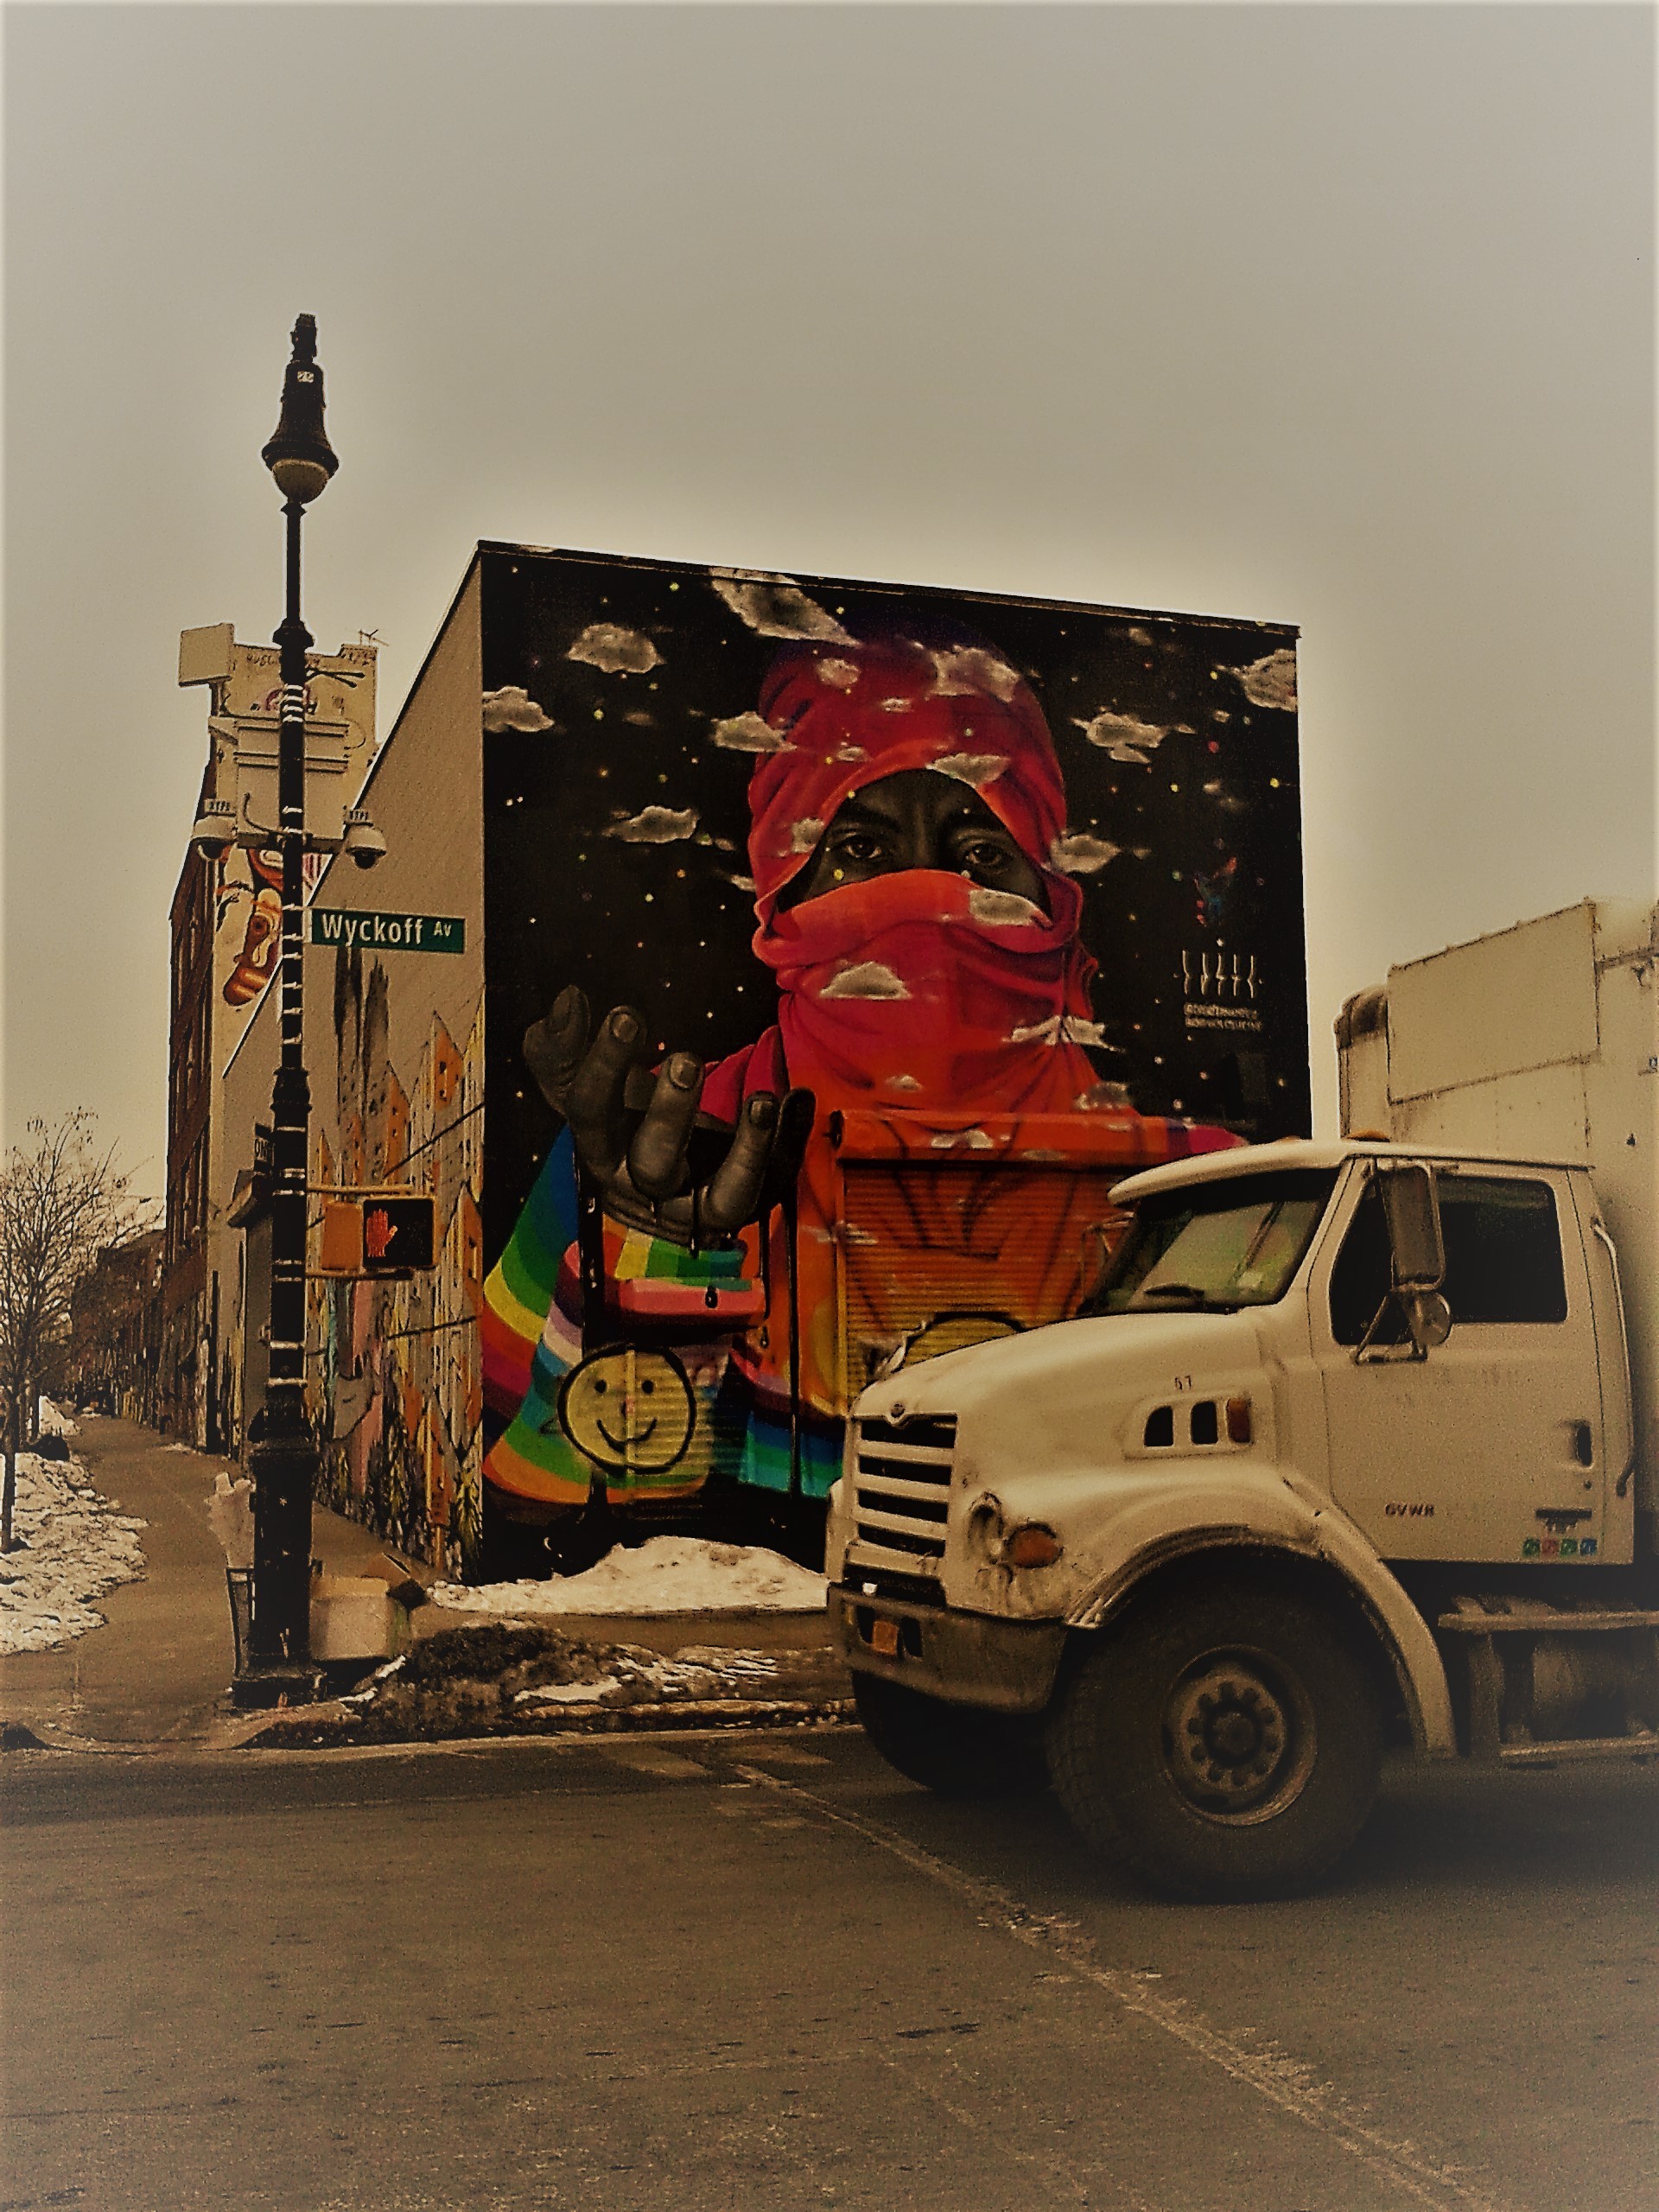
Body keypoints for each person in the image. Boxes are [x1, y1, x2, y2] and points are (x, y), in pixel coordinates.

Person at [480, 621, 1239, 1560]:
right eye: (860, 853)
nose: (927, 897)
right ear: (781, 892)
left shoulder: (1199, 1193)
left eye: (981, 857)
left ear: (1055, 899)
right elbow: (535, 1515)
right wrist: (653, 1265)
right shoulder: (649, 1151)